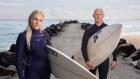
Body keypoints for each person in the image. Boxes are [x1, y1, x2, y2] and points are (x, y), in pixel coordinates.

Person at [81, 8, 117, 79]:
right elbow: (83, 47)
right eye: (96, 14)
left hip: (104, 59)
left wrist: (114, 59)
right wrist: (87, 61)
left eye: (100, 14)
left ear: (103, 15)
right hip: (92, 60)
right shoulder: (88, 31)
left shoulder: (108, 29)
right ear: (93, 16)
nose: (98, 16)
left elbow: (113, 44)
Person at [16, 10, 51, 79]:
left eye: (40, 20)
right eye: (35, 19)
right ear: (30, 19)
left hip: (46, 72)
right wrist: (21, 77)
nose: (37, 22)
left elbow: (52, 54)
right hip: (31, 73)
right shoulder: (23, 36)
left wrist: (58, 71)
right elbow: (18, 60)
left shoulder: (44, 34)